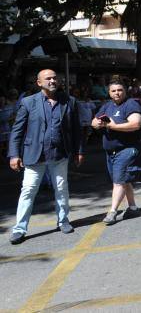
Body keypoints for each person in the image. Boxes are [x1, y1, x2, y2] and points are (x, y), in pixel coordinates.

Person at [7, 69, 84, 245]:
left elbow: (76, 131)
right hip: (34, 156)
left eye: (55, 78)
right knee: (28, 191)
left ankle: (63, 221)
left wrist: (79, 151)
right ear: (39, 82)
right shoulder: (28, 102)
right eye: (48, 78)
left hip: (60, 155)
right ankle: (19, 229)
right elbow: (17, 131)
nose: (52, 81)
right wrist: (14, 155)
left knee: (61, 188)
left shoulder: (69, 101)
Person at [93, 79, 141, 224]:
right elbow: (94, 121)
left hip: (127, 149)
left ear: (125, 91)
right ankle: (133, 208)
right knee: (124, 180)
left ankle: (112, 212)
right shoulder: (107, 106)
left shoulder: (131, 104)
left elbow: (136, 124)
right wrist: (97, 123)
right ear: (109, 93)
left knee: (119, 182)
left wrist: (112, 126)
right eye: (113, 90)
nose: (117, 93)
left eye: (120, 90)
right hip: (111, 151)